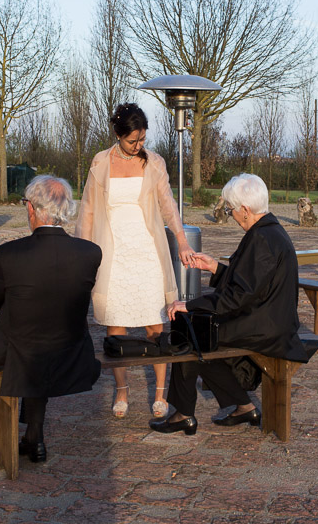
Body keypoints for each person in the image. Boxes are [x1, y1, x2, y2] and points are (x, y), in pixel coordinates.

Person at [150, 173, 310, 435]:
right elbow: (250, 286)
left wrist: (189, 306)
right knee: (200, 335)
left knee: (191, 333)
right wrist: (214, 267)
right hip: (267, 317)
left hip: (267, 326)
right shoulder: (270, 231)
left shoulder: (261, 239)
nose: (231, 214)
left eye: (231, 209)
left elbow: (238, 296)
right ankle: (243, 407)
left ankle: (183, 414)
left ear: (245, 210)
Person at [76, 103, 195, 419]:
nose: (139, 145)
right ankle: (122, 390)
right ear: (118, 134)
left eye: (142, 139)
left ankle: (159, 392)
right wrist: (82, 255)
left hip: (147, 253)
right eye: (133, 141)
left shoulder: (154, 163)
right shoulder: (100, 163)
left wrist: (182, 242)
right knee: (117, 325)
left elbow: (169, 207)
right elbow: (87, 211)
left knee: (156, 325)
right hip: (113, 255)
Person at [0, 175, 102, 463]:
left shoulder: (9, 253)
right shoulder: (90, 253)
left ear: (31, 209)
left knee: (26, 333)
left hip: (20, 351)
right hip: (70, 349)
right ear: (66, 209)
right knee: (37, 328)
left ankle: (31, 438)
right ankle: (35, 436)